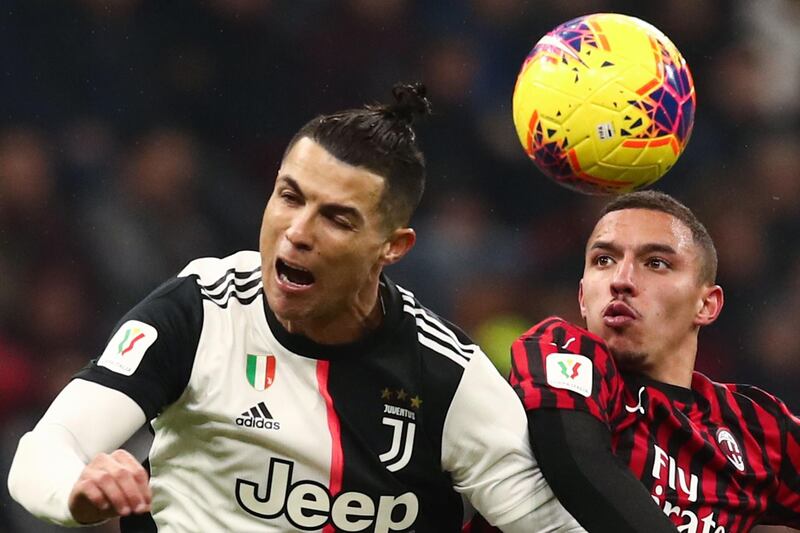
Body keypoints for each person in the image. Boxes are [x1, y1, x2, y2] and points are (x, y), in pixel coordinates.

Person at [7, 83, 583, 532]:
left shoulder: (447, 378)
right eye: (289, 196)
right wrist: (78, 492)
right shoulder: (204, 309)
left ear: (393, 247)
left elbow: (552, 523)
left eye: (336, 218)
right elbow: (42, 451)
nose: (296, 233)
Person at [508, 191, 800, 532]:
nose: (621, 280)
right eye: (604, 260)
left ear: (706, 305)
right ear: (583, 296)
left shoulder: (756, 427)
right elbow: (577, 466)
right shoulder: (560, 350)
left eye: (655, 263)